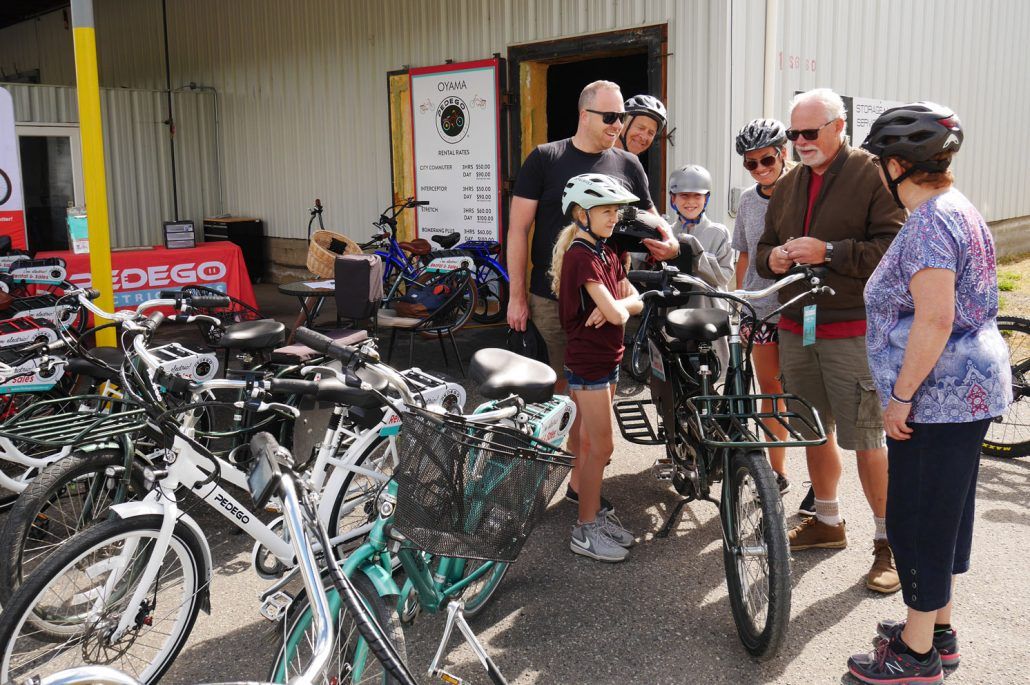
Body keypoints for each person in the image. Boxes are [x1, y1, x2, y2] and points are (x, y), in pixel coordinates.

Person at [845, 103, 1011, 684]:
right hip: (968, 391)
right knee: (947, 512)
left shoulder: (927, 224)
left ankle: (915, 657)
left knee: (918, 519)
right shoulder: (957, 208)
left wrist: (901, 396)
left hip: (937, 396)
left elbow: (935, 318)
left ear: (895, 165)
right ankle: (936, 630)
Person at [754, 88, 906, 594]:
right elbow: (764, 248)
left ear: (839, 126)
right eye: (794, 134)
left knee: (866, 437)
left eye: (809, 133)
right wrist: (772, 259)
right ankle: (827, 521)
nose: (799, 143)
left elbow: (892, 248)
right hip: (798, 326)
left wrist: (830, 251)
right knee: (812, 429)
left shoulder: (871, 173)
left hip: (851, 327)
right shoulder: (791, 181)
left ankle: (890, 546)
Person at [506, 80, 679, 513]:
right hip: (554, 298)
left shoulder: (627, 163)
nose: (619, 125)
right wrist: (515, 297)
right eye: (611, 117)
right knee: (569, 390)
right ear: (584, 115)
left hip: (610, 295)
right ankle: (564, 482)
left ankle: (581, 485)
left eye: (621, 116)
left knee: (595, 390)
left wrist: (671, 242)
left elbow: (654, 220)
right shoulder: (545, 159)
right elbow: (517, 229)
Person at [550, 174, 642, 562]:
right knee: (600, 446)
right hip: (589, 366)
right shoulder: (580, 257)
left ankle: (591, 518)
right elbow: (621, 308)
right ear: (580, 214)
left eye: (615, 210)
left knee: (590, 444)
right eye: (605, 210)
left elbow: (634, 300)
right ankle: (585, 530)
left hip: (609, 359)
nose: (613, 217)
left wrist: (612, 312)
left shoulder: (606, 252)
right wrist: (614, 311)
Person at [731, 119, 794, 494]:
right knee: (770, 391)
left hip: (799, 307)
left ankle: (820, 481)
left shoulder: (803, 191)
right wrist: (741, 302)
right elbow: (744, 255)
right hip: (760, 309)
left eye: (766, 160)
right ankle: (778, 470)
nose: (760, 169)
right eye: (751, 164)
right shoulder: (747, 200)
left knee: (808, 393)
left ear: (782, 154)